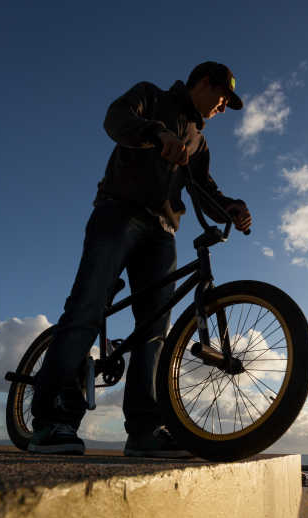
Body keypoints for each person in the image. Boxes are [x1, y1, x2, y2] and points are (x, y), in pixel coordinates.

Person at [28, 62, 252, 457]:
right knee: (87, 309)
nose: (221, 108)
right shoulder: (151, 97)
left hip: (163, 233)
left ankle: (145, 431)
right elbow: (115, 119)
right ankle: (52, 420)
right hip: (119, 213)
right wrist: (155, 132)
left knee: (153, 332)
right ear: (204, 83)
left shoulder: (200, 141)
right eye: (222, 99)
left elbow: (204, 188)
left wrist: (230, 207)